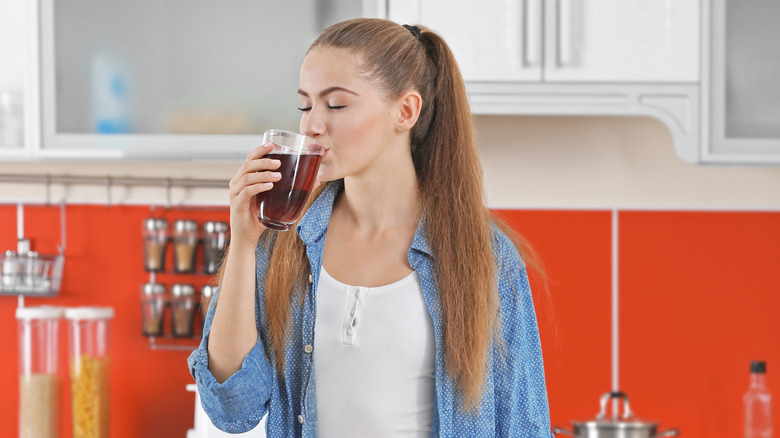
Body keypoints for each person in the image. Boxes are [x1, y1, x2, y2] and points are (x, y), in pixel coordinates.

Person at [188, 18, 552, 437]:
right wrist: (244, 244)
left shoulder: (484, 257)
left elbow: (525, 426)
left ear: (405, 111)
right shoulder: (283, 242)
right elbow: (232, 409)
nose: (311, 125)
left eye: (336, 105)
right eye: (305, 105)